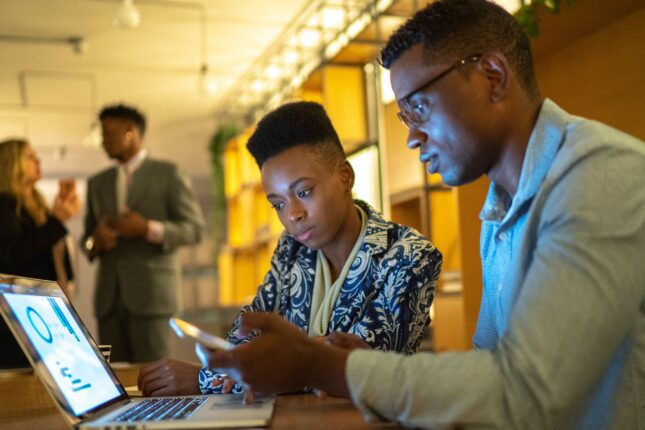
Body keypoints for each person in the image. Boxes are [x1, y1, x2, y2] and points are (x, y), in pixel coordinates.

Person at [202, 1, 645, 428]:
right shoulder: (498, 211)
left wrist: (325, 366)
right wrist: (361, 366)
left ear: (492, 76)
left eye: (419, 106)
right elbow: (489, 365)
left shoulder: (600, 174)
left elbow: (526, 389)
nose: (412, 136)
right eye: (403, 115)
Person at [137, 101, 442, 397]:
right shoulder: (292, 248)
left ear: (344, 176)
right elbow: (248, 328)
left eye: (304, 192)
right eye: (278, 204)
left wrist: (204, 379)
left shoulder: (409, 256)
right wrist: (236, 365)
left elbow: (359, 367)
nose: (293, 215)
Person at [81, 104, 205, 363]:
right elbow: (86, 239)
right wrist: (96, 240)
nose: (102, 142)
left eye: (107, 134)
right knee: (113, 379)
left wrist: (147, 229)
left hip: (152, 297)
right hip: (109, 301)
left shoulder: (169, 173)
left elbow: (193, 229)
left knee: (154, 378)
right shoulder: (96, 183)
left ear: (130, 131)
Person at [0, 138, 80, 366]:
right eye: (29, 156)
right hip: (18, 315)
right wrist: (57, 221)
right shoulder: (4, 205)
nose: (38, 160)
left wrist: (56, 219)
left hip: (41, 308)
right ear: (10, 164)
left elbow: (48, 252)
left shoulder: (36, 205)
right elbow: (13, 257)